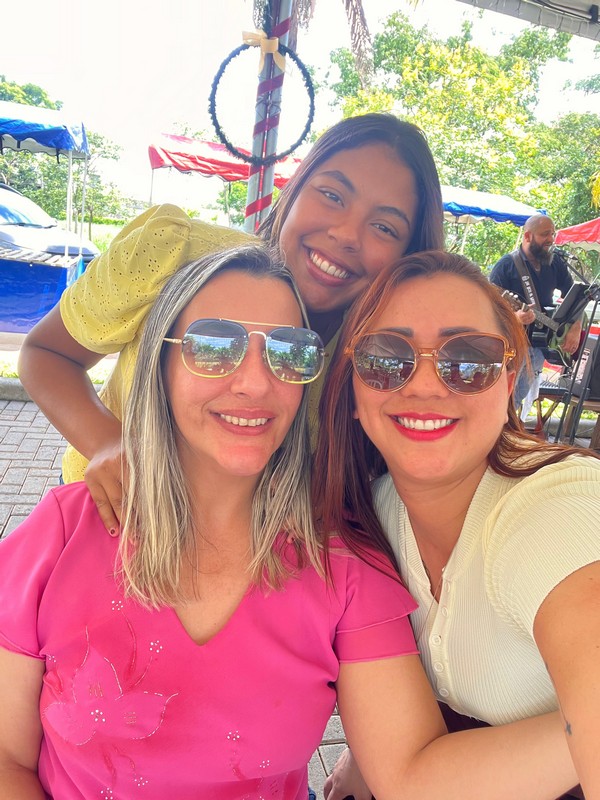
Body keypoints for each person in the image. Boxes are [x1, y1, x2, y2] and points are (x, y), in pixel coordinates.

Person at [0, 246, 584, 800]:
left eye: (289, 353)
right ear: (162, 363)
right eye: (214, 345)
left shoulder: (345, 562)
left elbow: (408, 772)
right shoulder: (61, 535)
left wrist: (586, 727)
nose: (256, 382)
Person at [18, 112, 444, 533]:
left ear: (407, 255)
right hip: (110, 514)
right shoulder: (172, 251)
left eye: (384, 226)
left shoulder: (382, 358)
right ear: (295, 189)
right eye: (332, 195)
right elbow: (45, 353)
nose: (347, 234)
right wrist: (106, 442)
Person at [314, 249, 600, 800]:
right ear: (351, 390)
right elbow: (405, 770)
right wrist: (365, 752)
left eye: (469, 358)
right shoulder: (371, 517)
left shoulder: (554, 510)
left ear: (509, 382)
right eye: (385, 358)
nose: (424, 386)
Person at [489, 213, 582, 420]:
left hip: (540, 347)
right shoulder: (506, 265)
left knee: (517, 400)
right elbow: (489, 307)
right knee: (502, 399)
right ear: (528, 236)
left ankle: (507, 433)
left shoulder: (555, 263)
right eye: (545, 234)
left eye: (553, 234)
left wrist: (576, 327)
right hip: (513, 345)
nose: (551, 239)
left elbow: (577, 296)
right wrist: (515, 317)